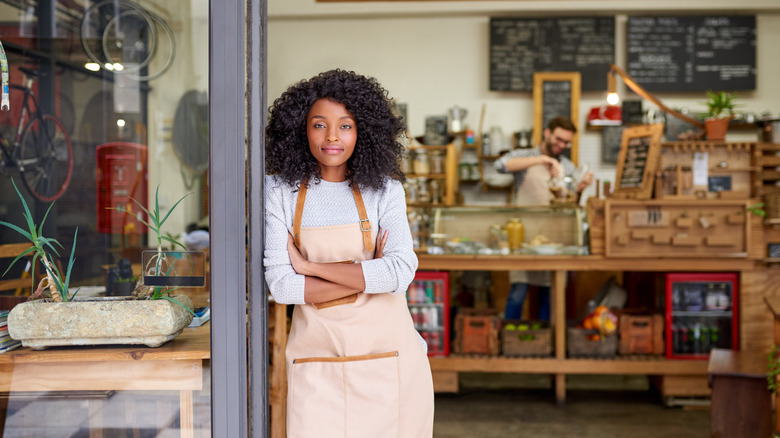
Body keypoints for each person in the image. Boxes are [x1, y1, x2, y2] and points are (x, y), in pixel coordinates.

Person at [263, 69, 434, 437]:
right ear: (300, 130)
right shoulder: (278, 191)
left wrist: (309, 267)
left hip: (391, 363)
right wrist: (368, 274)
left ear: (363, 132)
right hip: (316, 363)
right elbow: (282, 287)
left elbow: (400, 273)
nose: (331, 137)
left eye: (345, 126)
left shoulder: (386, 191)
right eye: (319, 125)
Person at [494, 116, 593, 320]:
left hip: (553, 239)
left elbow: (570, 202)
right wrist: (542, 159)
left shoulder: (566, 165)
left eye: (566, 142)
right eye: (558, 139)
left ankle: (544, 342)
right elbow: (500, 165)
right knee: (518, 293)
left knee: (550, 295)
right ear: (547, 133)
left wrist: (580, 189)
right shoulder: (526, 155)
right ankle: (509, 343)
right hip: (522, 236)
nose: (561, 145)